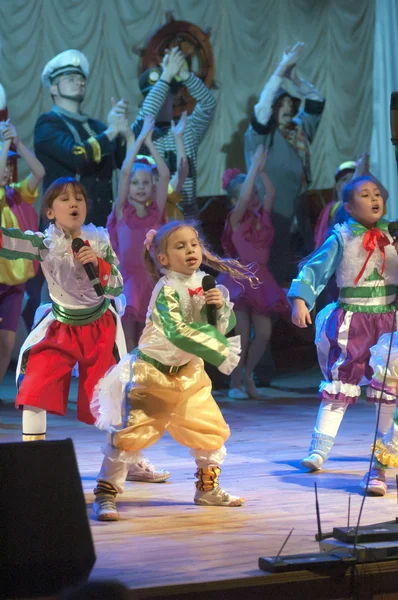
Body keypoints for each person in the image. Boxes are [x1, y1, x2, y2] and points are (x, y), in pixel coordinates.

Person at [90, 221, 256, 520]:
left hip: (189, 374)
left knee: (210, 430)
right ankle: (106, 493)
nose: (190, 250)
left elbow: (221, 325)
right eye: (180, 246)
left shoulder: (206, 283)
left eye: (194, 243)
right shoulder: (166, 289)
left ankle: (207, 489)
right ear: (163, 258)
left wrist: (219, 310)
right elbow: (177, 331)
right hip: (153, 375)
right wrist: (219, 348)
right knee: (130, 435)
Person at [287, 176, 398, 491]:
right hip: (353, 321)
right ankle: (318, 450)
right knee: (341, 383)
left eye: (378, 193)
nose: (374, 198)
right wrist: (299, 301)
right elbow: (314, 269)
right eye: (365, 194)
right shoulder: (343, 236)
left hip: (388, 321)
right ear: (348, 206)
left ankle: (383, 456)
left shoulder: (393, 234)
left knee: (387, 389)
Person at [0, 177, 126, 440]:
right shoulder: (44, 244)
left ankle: (124, 460)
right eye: (65, 199)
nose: (73, 204)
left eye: (79, 199)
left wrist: (99, 265)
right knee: (34, 388)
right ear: (49, 212)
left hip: (99, 329)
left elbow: (116, 285)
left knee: (108, 398)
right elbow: (11, 242)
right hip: (60, 328)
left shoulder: (100, 241)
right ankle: (34, 458)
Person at [245, 42, 325, 284]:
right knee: (274, 277)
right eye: (284, 104)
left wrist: (295, 79)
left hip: (299, 217)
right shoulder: (260, 137)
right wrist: (281, 69)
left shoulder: (299, 133)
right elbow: (262, 106)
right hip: (270, 217)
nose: (289, 107)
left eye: (292, 104)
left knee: (303, 276)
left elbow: (316, 100)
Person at [219, 146, 289, 399]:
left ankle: (248, 374)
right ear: (236, 200)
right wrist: (251, 173)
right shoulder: (235, 217)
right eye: (248, 195)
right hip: (239, 278)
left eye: (254, 192)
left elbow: (270, 192)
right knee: (241, 334)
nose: (254, 197)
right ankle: (234, 382)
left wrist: (260, 170)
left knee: (264, 332)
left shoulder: (264, 215)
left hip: (261, 279)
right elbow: (246, 197)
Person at [35, 49, 131, 227]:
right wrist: (111, 132)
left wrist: (125, 133)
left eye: (81, 79)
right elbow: (76, 157)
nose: (79, 82)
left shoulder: (97, 126)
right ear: (54, 88)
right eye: (70, 79)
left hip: (101, 224)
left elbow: (124, 164)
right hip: (63, 226)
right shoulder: (47, 124)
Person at [107, 114, 169, 353]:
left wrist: (150, 143)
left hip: (151, 279)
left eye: (145, 183)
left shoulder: (157, 212)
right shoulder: (122, 211)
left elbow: (164, 174)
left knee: (149, 334)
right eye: (135, 183)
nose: (141, 187)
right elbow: (124, 172)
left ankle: (146, 378)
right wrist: (139, 139)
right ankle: (130, 376)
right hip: (128, 280)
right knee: (128, 335)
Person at [132, 47, 216, 219]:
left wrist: (186, 75)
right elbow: (145, 116)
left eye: (166, 94)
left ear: (173, 98)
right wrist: (166, 77)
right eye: (157, 96)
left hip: (188, 218)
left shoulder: (187, 130)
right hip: (153, 220)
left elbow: (209, 104)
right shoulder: (140, 135)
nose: (161, 100)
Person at [0, 120, 44, 388]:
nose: (5, 169)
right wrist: (4, 143)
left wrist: (17, 144)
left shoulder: (17, 194)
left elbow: (39, 171)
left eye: (8, 164)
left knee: (6, 342)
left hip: (15, 282)